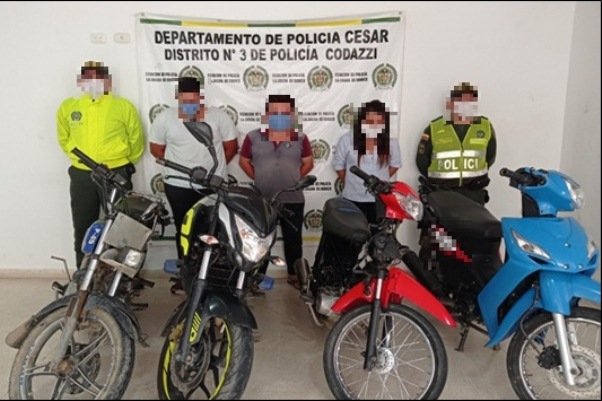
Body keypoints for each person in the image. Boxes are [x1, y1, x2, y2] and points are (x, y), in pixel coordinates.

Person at [57, 60, 144, 268]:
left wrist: (120, 161)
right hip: (82, 175)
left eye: (98, 78)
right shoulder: (69, 107)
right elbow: (64, 138)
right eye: (88, 79)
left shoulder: (123, 107)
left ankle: (120, 275)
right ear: (81, 83)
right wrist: (81, 160)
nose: (93, 83)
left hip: (116, 172)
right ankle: (83, 272)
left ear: (108, 82)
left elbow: (136, 139)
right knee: (83, 224)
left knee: (122, 226)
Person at [150, 76, 238, 261]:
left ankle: (209, 271)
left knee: (212, 230)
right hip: (178, 186)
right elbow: (157, 150)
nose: (190, 101)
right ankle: (185, 269)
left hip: (212, 185)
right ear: (178, 97)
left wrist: (213, 172)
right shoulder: (165, 118)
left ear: (201, 96)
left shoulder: (218, 116)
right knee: (183, 229)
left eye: (194, 96)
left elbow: (230, 148)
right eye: (185, 97)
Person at [239, 94, 314, 290]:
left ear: (292, 115)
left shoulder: (300, 138)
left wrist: (294, 181)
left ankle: (295, 276)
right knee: (262, 239)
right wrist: (257, 178)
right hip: (263, 199)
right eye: (275, 112)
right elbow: (244, 161)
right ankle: (258, 277)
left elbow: (308, 162)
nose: (280, 117)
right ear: (266, 115)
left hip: (293, 198)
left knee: (293, 240)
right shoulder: (253, 137)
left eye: (285, 113)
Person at [416, 82, 496, 205]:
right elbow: (422, 161)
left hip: (474, 193)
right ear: (450, 104)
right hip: (442, 193)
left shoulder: (485, 126)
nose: (465, 106)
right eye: (461, 101)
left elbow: (490, 156)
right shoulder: (435, 127)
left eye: (470, 102)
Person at [332, 100, 402, 226]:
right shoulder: (347, 140)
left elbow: (394, 165)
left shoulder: (391, 143)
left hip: (379, 200)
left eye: (378, 122)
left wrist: (378, 183)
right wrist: (351, 181)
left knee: (377, 235)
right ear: (361, 121)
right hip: (353, 198)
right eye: (369, 121)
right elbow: (338, 165)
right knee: (353, 235)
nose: (374, 126)